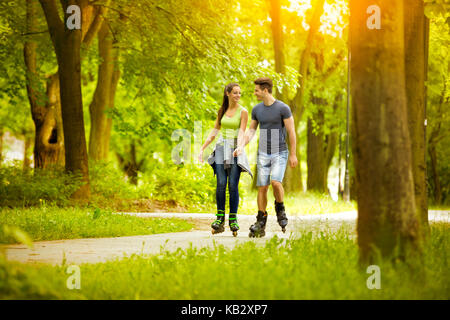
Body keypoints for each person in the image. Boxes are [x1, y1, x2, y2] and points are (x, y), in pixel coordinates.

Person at [234, 77, 298, 237]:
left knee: (276, 183)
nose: (254, 92)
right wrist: (241, 145)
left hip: (280, 152)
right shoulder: (257, 110)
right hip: (263, 153)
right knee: (262, 187)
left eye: (256, 90)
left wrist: (293, 154)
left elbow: (291, 131)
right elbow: (251, 131)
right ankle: (260, 221)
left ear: (265, 90)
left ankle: (280, 208)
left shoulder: (283, 108)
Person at [198, 83, 253, 237]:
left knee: (233, 184)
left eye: (239, 93)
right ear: (227, 93)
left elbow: (242, 131)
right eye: (235, 93)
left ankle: (233, 219)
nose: (238, 95)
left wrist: (240, 146)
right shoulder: (221, 111)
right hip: (221, 148)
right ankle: (220, 219)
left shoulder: (243, 112)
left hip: (235, 149)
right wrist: (203, 148)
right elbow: (215, 131)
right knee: (221, 183)